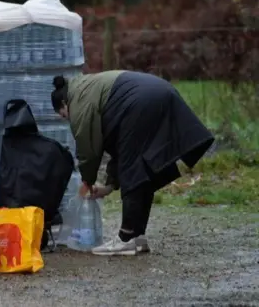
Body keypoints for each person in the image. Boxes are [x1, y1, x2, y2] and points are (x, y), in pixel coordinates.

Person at [50, 70, 214, 256]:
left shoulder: (78, 101)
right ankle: (137, 236)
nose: (67, 119)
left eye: (63, 115)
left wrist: (87, 181)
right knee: (143, 169)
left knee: (133, 172)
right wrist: (109, 186)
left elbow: (88, 150)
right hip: (160, 92)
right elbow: (120, 149)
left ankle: (126, 238)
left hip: (142, 102)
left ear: (64, 104)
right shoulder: (88, 87)